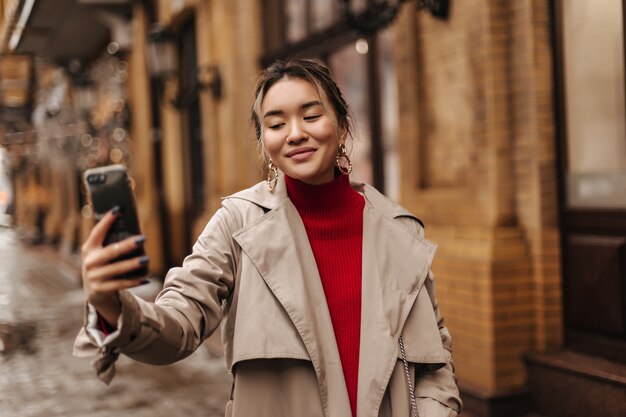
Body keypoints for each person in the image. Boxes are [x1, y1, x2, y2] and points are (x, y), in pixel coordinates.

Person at [74, 59, 462, 417]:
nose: (295, 134)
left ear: (342, 126)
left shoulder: (399, 231)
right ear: (265, 142)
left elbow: (435, 359)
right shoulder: (237, 224)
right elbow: (180, 322)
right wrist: (113, 305)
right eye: (276, 125)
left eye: (311, 116)